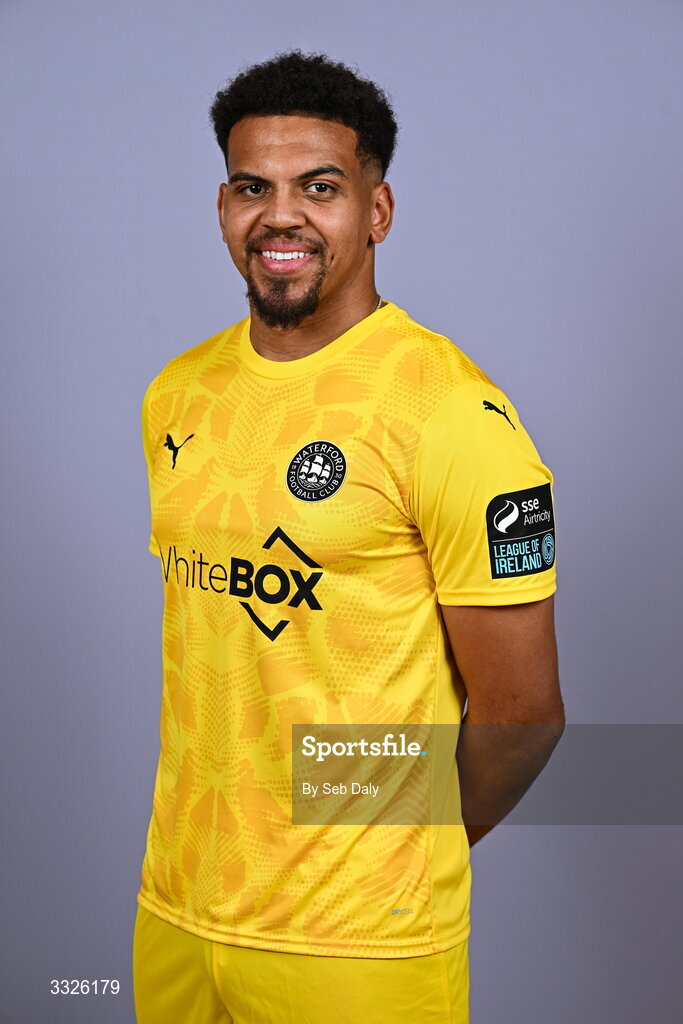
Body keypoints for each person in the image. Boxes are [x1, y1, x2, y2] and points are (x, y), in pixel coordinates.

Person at [132, 49, 565, 1024]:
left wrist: (381, 853)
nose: (279, 214)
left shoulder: (450, 414)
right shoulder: (176, 392)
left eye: (317, 187)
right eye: (253, 186)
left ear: (376, 211)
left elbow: (524, 715)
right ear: (221, 207)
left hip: (358, 946)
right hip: (174, 915)